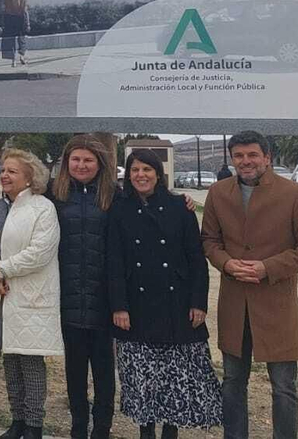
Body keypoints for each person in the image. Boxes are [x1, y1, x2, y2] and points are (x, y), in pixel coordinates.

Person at [201, 131, 298, 439]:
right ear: (232, 159)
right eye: (239, 156)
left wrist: (267, 268)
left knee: (284, 387)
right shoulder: (218, 193)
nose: (246, 162)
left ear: (267, 157)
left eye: (252, 155)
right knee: (232, 380)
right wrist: (226, 263)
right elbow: (209, 240)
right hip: (235, 304)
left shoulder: (295, 194)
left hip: (276, 304)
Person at [109, 150, 222, 438]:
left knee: (175, 378)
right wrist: (119, 306)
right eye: (135, 170)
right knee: (143, 378)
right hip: (136, 304)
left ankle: (170, 431)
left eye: (147, 169)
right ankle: (146, 432)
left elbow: (196, 258)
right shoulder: (118, 208)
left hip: (177, 303)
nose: (141, 175)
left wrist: (199, 301)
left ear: (158, 174)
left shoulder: (179, 207)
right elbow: (115, 261)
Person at [0, 148, 62, 439]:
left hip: (29, 298)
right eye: (4, 170)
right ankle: (17, 421)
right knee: (10, 361)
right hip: (0, 297)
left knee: (31, 363)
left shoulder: (42, 208)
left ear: (30, 178)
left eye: (13, 171)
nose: (5, 175)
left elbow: (40, 252)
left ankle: (34, 425)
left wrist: (0, 270)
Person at [51, 136, 118, 439]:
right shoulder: (54, 195)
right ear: (67, 163)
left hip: (104, 298)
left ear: (99, 164)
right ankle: (78, 424)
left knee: (104, 370)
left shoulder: (116, 196)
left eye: (88, 160)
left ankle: (102, 427)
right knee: (74, 369)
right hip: (67, 295)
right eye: (75, 160)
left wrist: (180, 201)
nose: (81, 165)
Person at [1, 0, 30, 67]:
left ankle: (13, 60)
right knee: (21, 38)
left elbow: (5, 8)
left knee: (11, 39)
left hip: (9, 18)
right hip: (20, 18)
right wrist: (27, 23)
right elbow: (25, 11)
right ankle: (22, 56)